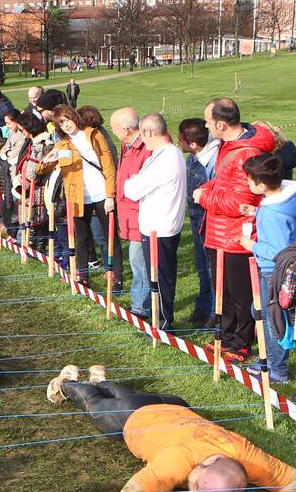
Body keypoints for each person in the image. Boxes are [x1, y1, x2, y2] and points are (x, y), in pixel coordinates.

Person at [45, 368, 296, 492]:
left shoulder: (244, 453)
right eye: (197, 486)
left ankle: (101, 380)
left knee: (125, 396)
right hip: (130, 416)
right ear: (213, 461)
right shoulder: (176, 461)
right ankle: (66, 382)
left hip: (174, 404)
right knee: (93, 404)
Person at [193, 99, 280, 363]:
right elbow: (223, 183)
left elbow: (240, 202)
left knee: (240, 294)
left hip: (236, 236)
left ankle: (242, 343)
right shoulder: (228, 146)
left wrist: (203, 197)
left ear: (221, 124)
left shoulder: (245, 154)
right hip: (219, 232)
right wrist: (208, 188)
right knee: (226, 291)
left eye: (208, 122)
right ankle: (227, 336)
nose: (206, 126)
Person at [240, 153, 296, 383]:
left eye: (249, 181)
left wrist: (252, 246)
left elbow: (277, 251)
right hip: (284, 267)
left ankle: (278, 370)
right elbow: (283, 223)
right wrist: (256, 212)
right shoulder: (289, 197)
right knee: (259, 312)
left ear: (262, 185)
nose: (247, 183)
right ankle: (269, 359)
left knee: (272, 320)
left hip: (273, 271)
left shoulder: (271, 213)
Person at [36, 105, 117, 284]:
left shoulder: (93, 135)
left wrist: (110, 195)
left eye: (67, 120)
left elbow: (109, 166)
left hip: (102, 194)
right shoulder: (62, 145)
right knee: (82, 237)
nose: (65, 125)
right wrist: (46, 161)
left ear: (74, 117)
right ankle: (83, 276)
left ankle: (116, 277)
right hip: (79, 197)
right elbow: (40, 170)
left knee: (110, 236)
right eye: (61, 124)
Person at [122, 113, 186, 330]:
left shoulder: (167, 158)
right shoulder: (159, 155)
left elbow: (132, 189)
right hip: (155, 225)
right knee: (155, 278)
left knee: (161, 279)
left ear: (149, 132)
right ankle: (159, 319)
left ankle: (164, 323)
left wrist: (133, 181)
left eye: (142, 135)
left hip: (161, 228)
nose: (142, 140)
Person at [178, 118, 219, 329]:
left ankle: (214, 312)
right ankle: (201, 308)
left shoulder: (213, 161)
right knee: (202, 266)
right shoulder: (192, 157)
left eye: (181, 140)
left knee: (212, 269)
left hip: (210, 221)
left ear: (193, 144)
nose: (179, 143)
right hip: (196, 219)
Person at [112, 107, 152, 319]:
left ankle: (140, 308)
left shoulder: (146, 148)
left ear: (126, 129)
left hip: (141, 215)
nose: (113, 132)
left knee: (139, 262)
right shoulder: (126, 145)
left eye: (114, 128)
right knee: (137, 260)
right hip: (128, 212)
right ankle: (140, 303)